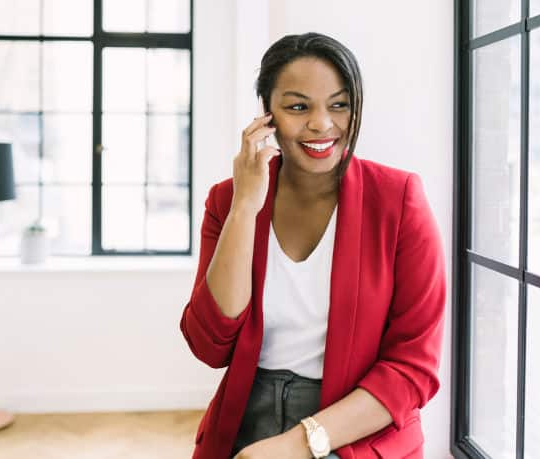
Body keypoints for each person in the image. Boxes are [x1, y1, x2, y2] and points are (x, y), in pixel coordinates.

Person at [180, 32, 446, 459]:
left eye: (339, 105)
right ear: (267, 115)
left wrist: (299, 443)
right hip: (246, 420)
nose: (322, 123)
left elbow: (413, 368)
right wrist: (245, 208)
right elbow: (209, 346)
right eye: (298, 106)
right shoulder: (228, 200)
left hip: (355, 426)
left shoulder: (400, 199)